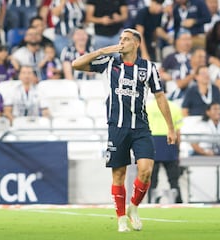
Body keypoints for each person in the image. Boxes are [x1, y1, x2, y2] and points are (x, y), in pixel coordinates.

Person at [72, 28, 176, 232]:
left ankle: (134, 208)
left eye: (126, 39)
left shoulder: (148, 68)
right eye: (120, 39)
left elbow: (160, 97)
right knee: (118, 175)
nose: (122, 42)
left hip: (141, 127)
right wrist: (102, 51)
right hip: (117, 127)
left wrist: (170, 127)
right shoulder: (109, 62)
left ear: (136, 44)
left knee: (146, 170)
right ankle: (120, 218)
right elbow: (76, 64)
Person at [146, 98, 183, 204]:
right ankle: (179, 203)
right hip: (169, 142)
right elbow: (178, 131)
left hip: (152, 142)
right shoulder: (175, 107)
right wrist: (178, 149)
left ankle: (150, 202)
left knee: (151, 180)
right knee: (173, 179)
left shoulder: (148, 107)